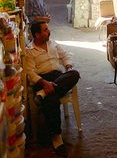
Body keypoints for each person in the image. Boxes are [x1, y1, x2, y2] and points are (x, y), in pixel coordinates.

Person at [25, 21, 80, 157]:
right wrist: (44, 83)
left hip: (58, 77)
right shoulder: (29, 51)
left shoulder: (53, 44)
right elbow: (30, 72)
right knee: (52, 100)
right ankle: (57, 139)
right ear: (37, 35)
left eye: (47, 29)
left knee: (74, 74)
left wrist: (68, 66)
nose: (48, 31)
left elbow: (65, 56)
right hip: (41, 79)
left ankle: (42, 94)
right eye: (45, 30)